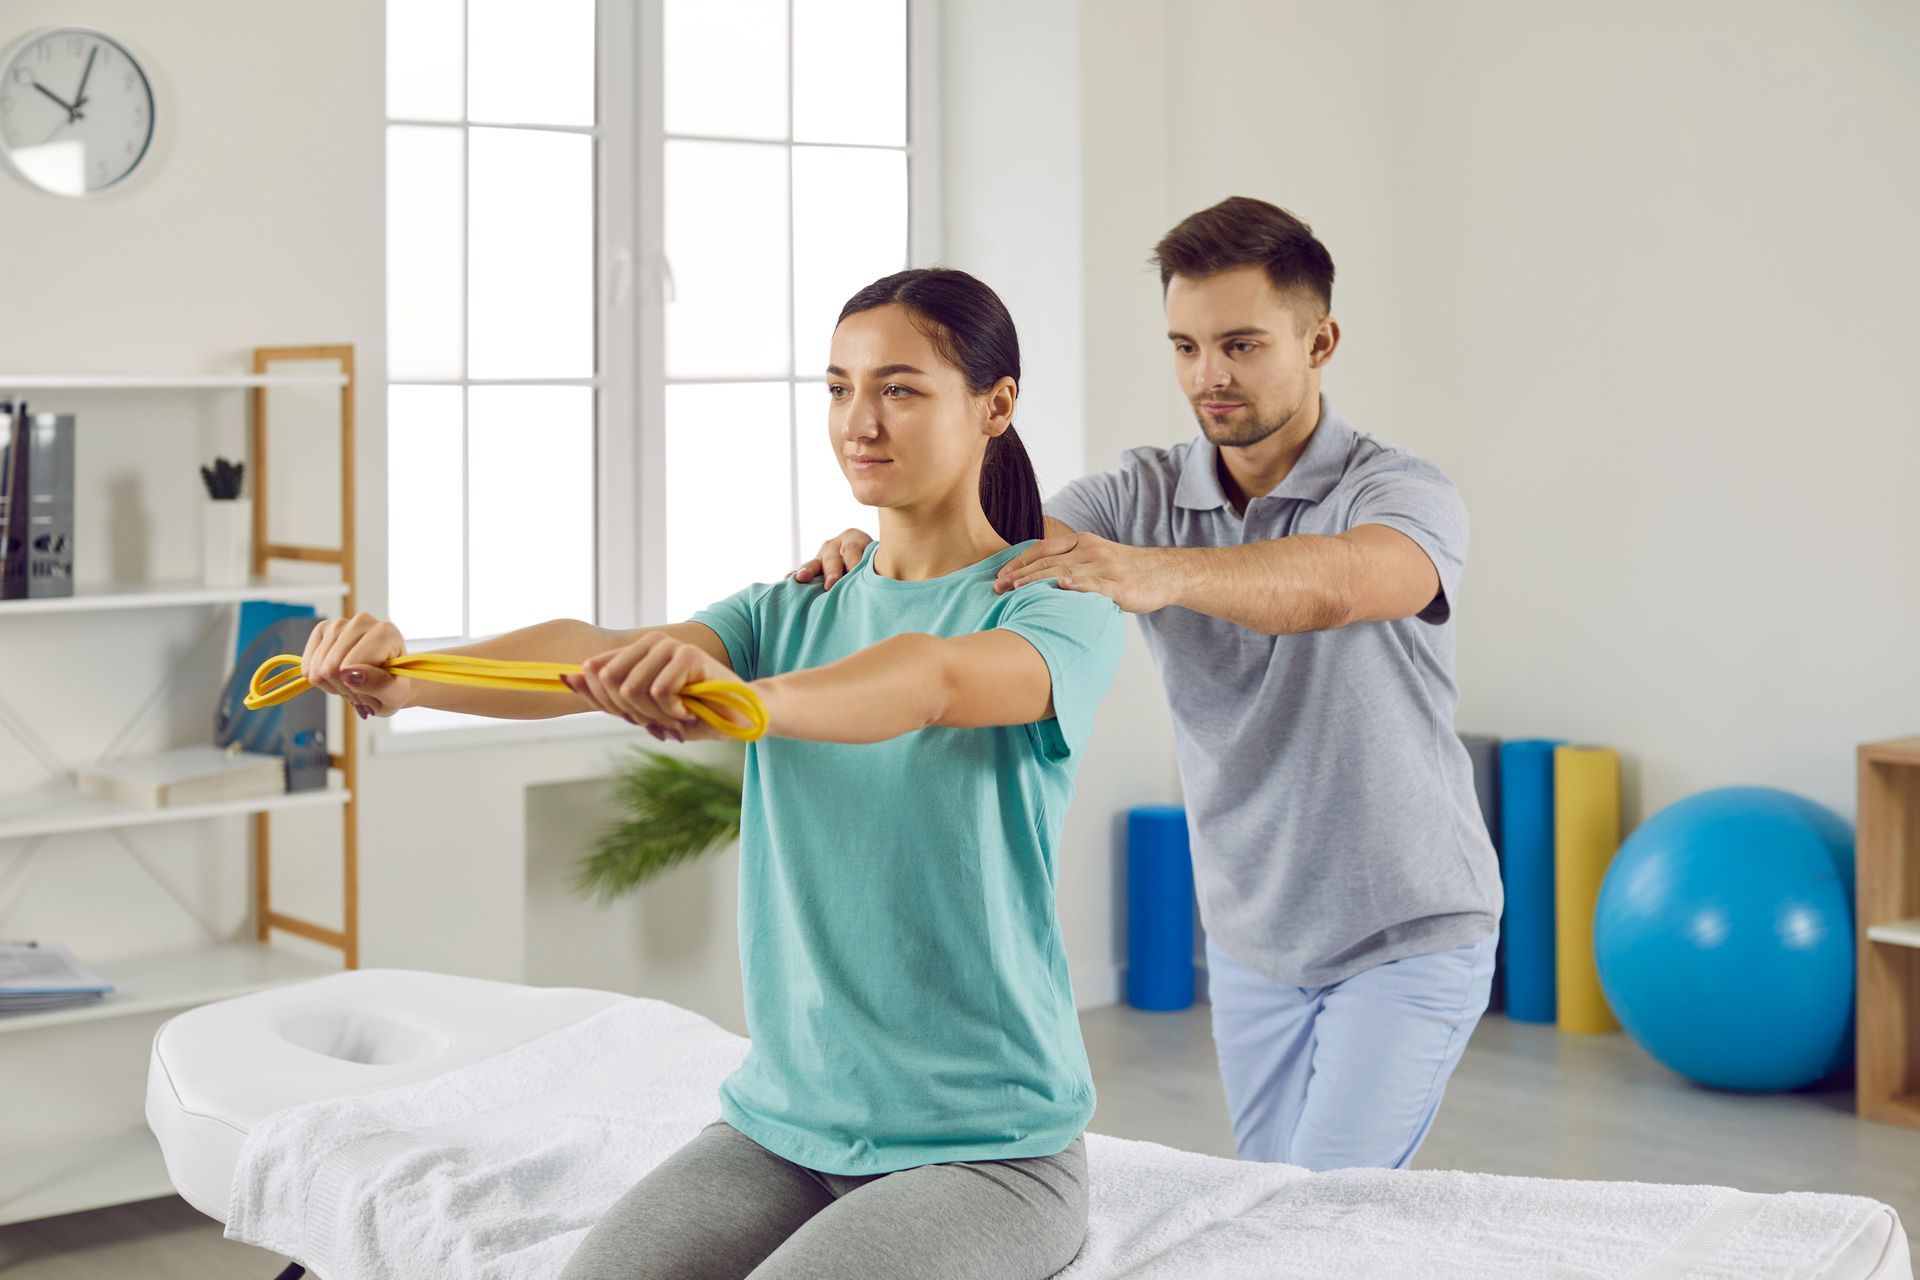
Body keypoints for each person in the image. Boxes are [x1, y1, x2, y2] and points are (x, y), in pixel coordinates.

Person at [298, 268, 1124, 1280]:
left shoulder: (1054, 607)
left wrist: (752, 701)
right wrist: (407, 675)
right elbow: (591, 653)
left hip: (988, 1149)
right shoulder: (790, 606)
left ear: (995, 406)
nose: (859, 421)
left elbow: (932, 680)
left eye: (900, 389)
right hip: (781, 1128)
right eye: (839, 387)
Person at [798, 198, 1501, 1174]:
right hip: (1253, 940)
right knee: (1265, 1201)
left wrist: (1154, 571)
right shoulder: (1139, 494)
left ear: (1320, 341)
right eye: (1186, 345)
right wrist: (879, 552)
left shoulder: (1398, 489)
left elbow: (1344, 583)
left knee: (1323, 1205)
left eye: (1242, 345)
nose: (1209, 375)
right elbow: (983, 550)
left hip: (1408, 928)